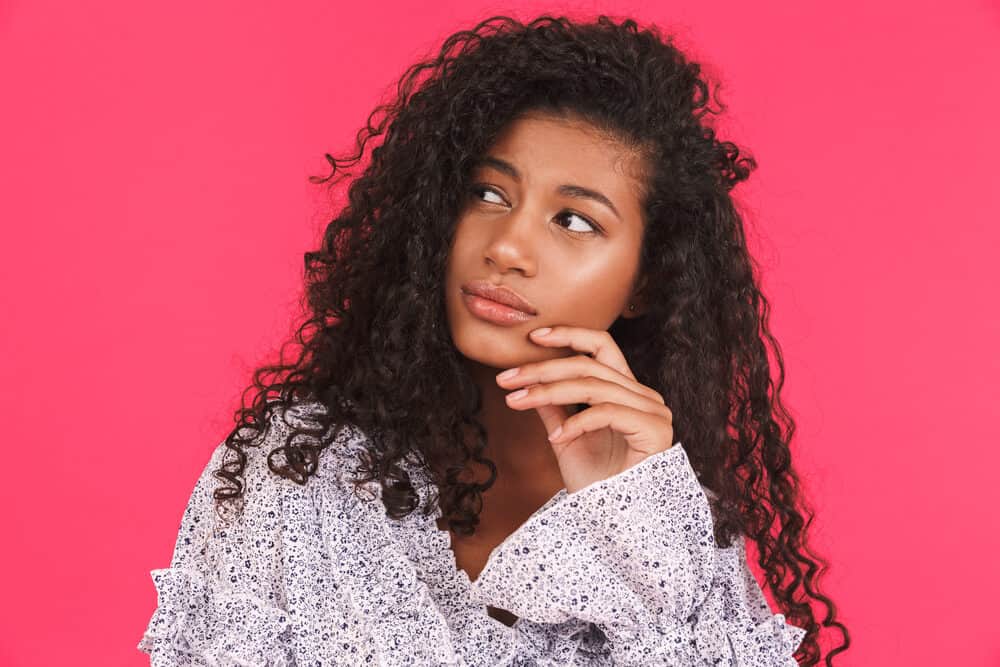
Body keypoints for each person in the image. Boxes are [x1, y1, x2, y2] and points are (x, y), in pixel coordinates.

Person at [137, 14, 850, 666]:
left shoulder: (668, 525)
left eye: (574, 220)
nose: (507, 246)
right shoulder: (293, 472)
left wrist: (631, 520)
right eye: (486, 193)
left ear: (646, 281)